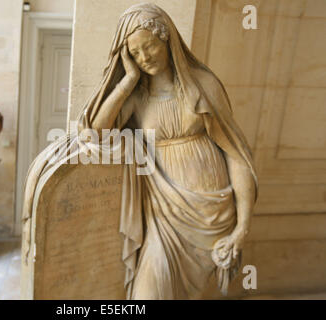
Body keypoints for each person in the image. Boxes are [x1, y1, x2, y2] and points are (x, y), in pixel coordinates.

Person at [22, 3, 258, 299]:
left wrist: (242, 228)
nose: (145, 58)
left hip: (213, 210)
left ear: (167, 40)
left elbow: (236, 155)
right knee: (149, 293)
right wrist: (128, 80)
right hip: (162, 213)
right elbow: (94, 133)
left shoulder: (204, 87)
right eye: (135, 53)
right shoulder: (136, 96)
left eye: (150, 47)